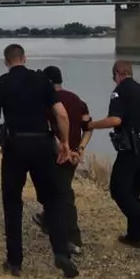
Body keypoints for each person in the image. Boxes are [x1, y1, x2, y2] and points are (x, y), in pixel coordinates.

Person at [0, 44, 80, 278]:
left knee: (12, 203)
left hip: (15, 147)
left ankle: (15, 262)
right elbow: (61, 114)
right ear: (25, 58)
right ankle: (61, 253)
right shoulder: (42, 81)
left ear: (6, 61)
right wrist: (66, 144)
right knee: (53, 200)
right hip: (42, 146)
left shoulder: (2, 83)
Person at [84, 60, 140, 254]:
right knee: (133, 192)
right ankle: (134, 236)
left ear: (118, 73)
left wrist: (91, 125)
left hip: (131, 150)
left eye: (114, 77)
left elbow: (116, 120)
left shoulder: (120, 91)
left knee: (119, 191)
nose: (114, 80)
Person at [32, 65, 91, 254]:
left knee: (63, 195)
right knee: (57, 190)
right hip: (73, 155)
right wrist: (80, 149)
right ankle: (48, 220)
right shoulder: (77, 100)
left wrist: (64, 149)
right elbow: (88, 126)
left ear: (48, 82)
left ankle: (74, 239)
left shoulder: (48, 102)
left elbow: (49, 130)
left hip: (56, 154)